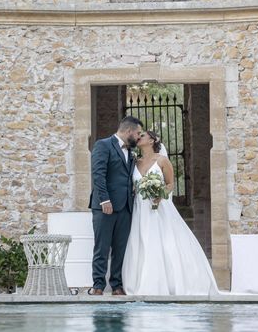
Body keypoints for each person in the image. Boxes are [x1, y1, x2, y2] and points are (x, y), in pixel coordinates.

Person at [122, 130, 220, 295]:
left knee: (163, 242)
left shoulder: (162, 161)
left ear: (152, 140)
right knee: (140, 242)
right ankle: (139, 282)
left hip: (158, 208)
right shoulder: (135, 163)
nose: (139, 137)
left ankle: (167, 283)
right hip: (140, 209)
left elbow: (170, 184)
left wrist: (160, 195)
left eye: (143, 135)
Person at [88, 115, 144, 295]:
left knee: (120, 249)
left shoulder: (131, 152)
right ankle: (98, 285)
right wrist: (104, 199)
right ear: (129, 131)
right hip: (105, 206)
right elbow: (98, 174)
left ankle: (117, 285)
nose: (138, 138)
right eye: (138, 133)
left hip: (126, 207)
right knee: (102, 247)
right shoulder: (103, 145)